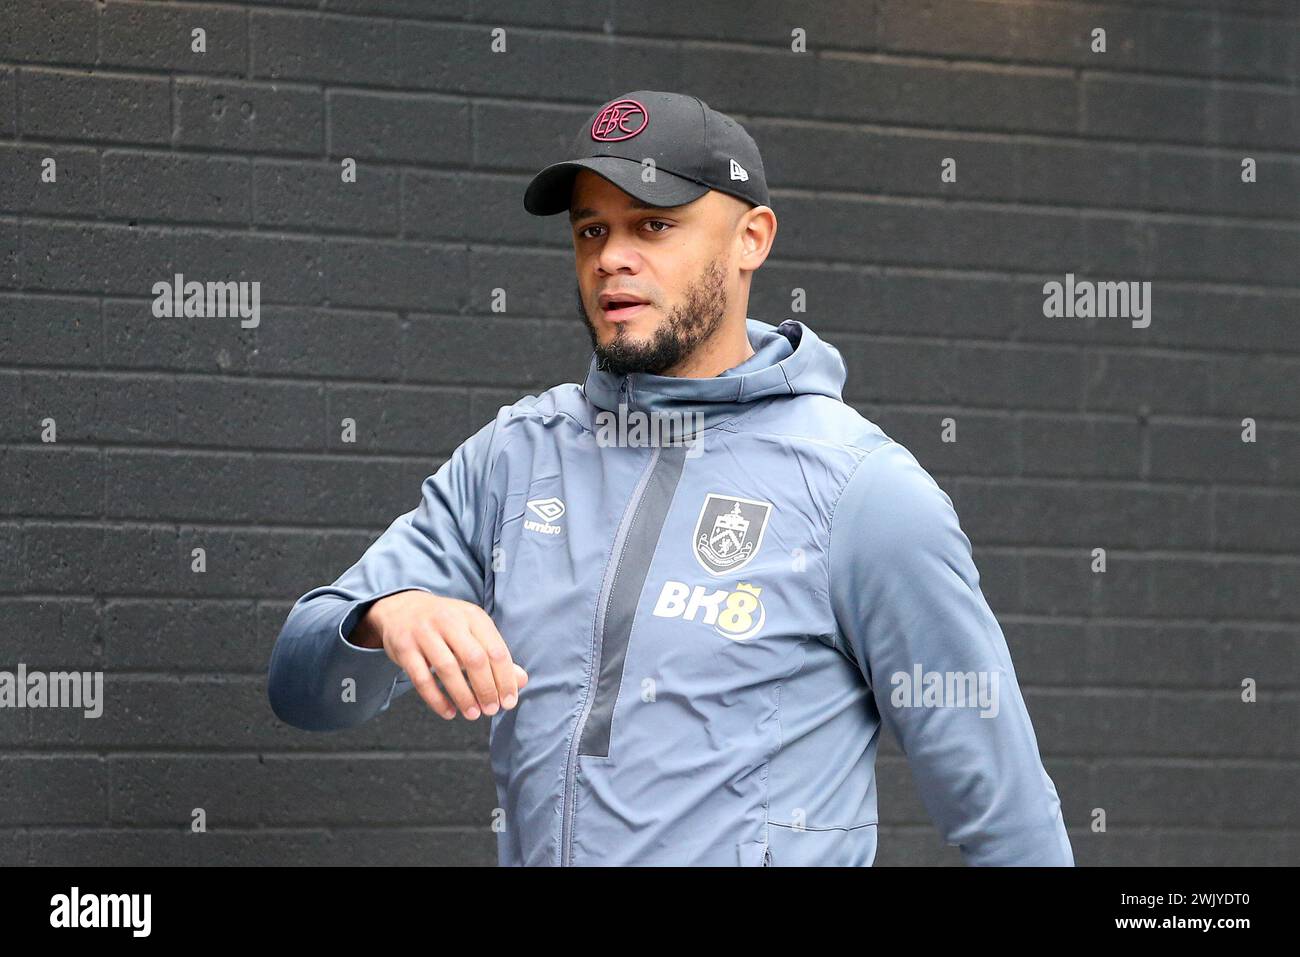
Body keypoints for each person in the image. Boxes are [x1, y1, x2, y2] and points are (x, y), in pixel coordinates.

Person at [267, 90, 1073, 867]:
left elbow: (1006, 818)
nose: (612, 256)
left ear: (751, 238)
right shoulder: (516, 455)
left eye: (654, 224)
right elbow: (301, 685)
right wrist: (386, 614)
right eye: (591, 230)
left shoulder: (865, 492)